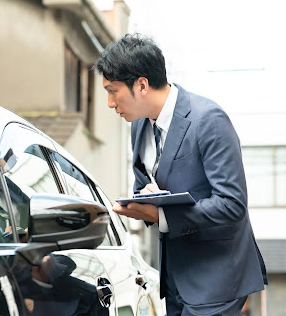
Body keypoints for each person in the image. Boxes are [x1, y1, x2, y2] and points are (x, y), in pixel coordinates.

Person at [94, 34, 267, 315]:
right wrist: (143, 199)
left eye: (113, 91)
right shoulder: (138, 126)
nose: (110, 103)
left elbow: (232, 204)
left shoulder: (208, 119)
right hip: (174, 275)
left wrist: (161, 215)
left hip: (217, 275)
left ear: (141, 85)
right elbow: (145, 186)